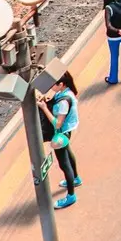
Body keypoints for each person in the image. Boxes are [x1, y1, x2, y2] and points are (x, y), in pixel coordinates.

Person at [42, 72, 82, 207]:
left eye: (54, 83)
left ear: (61, 84)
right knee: (69, 154)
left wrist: (43, 108)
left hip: (61, 133)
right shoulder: (68, 92)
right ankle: (76, 178)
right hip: (67, 130)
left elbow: (57, 123)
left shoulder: (64, 102)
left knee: (64, 164)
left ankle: (71, 195)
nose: (51, 85)